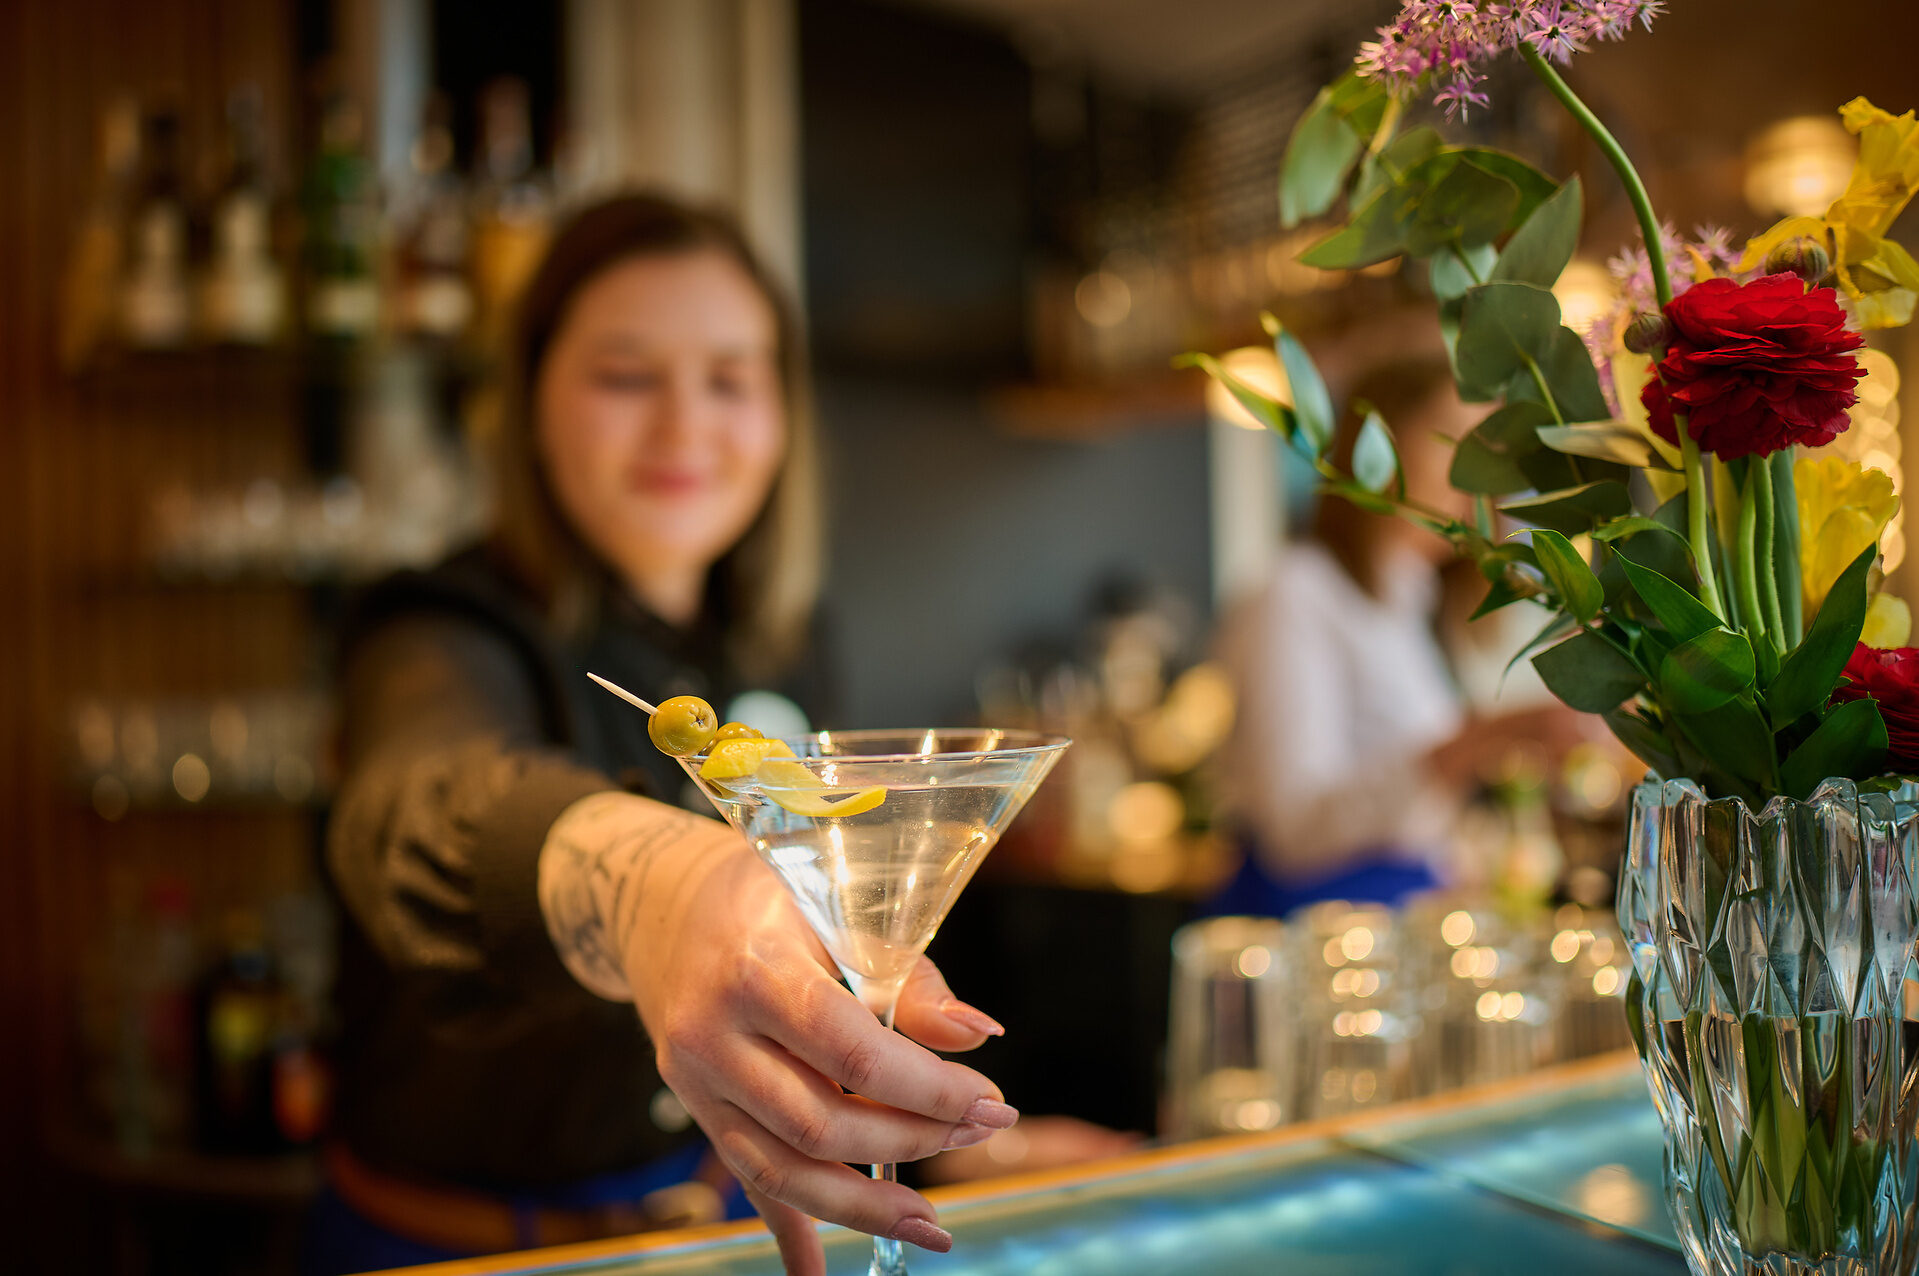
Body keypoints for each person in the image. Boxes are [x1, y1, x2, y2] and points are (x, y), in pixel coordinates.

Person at [310, 194, 1015, 1276]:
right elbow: (425, 804)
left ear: (781, 415)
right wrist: (658, 890)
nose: (684, 425)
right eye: (626, 376)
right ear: (529, 402)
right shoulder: (434, 631)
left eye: (729, 379)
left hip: (726, 1234)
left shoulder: (785, 645)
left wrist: (963, 1153)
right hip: (452, 1254)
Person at [1213, 354, 1597, 914]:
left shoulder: (1412, 601)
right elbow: (1293, 832)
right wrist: (1474, 743)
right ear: (1379, 446)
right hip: (1317, 926)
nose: (1478, 473)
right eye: (1451, 440)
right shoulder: (1295, 594)